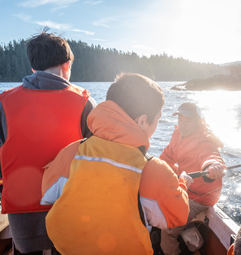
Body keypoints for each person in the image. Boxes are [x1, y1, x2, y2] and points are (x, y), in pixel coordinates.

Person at [40, 73, 190, 255]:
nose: (156, 125)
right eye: (157, 120)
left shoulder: (71, 151)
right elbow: (178, 215)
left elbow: (47, 193)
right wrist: (182, 182)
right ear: (142, 121)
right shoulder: (154, 170)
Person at [0, 29, 96, 255]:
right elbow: (97, 160)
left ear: (33, 68)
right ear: (67, 65)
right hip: (70, 213)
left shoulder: (4, 105)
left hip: (23, 221)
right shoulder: (85, 103)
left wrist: (15, 195)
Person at [159, 102, 226, 255]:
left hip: (199, 197)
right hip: (185, 186)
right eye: (180, 120)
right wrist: (155, 171)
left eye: (187, 120)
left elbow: (210, 155)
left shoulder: (204, 140)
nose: (182, 124)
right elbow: (167, 156)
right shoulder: (178, 134)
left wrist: (212, 166)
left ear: (198, 122)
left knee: (167, 231)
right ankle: (187, 229)